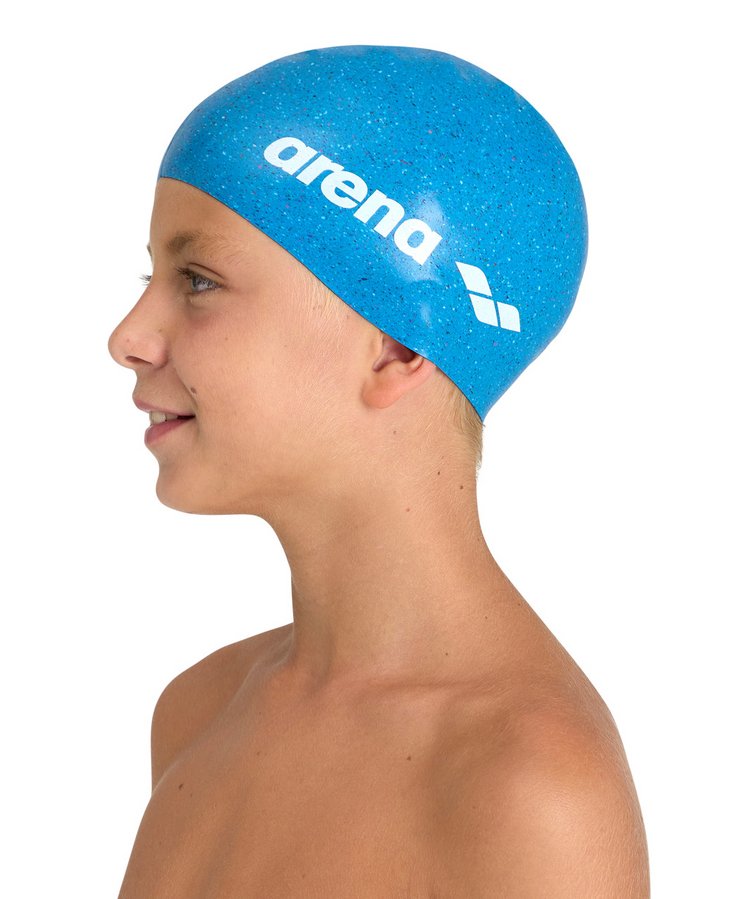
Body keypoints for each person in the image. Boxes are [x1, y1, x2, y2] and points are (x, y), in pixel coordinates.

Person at [108, 45, 649, 897]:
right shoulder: (199, 710)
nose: (128, 336)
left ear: (397, 347)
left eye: (198, 280)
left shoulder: (530, 788)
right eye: (152, 274)